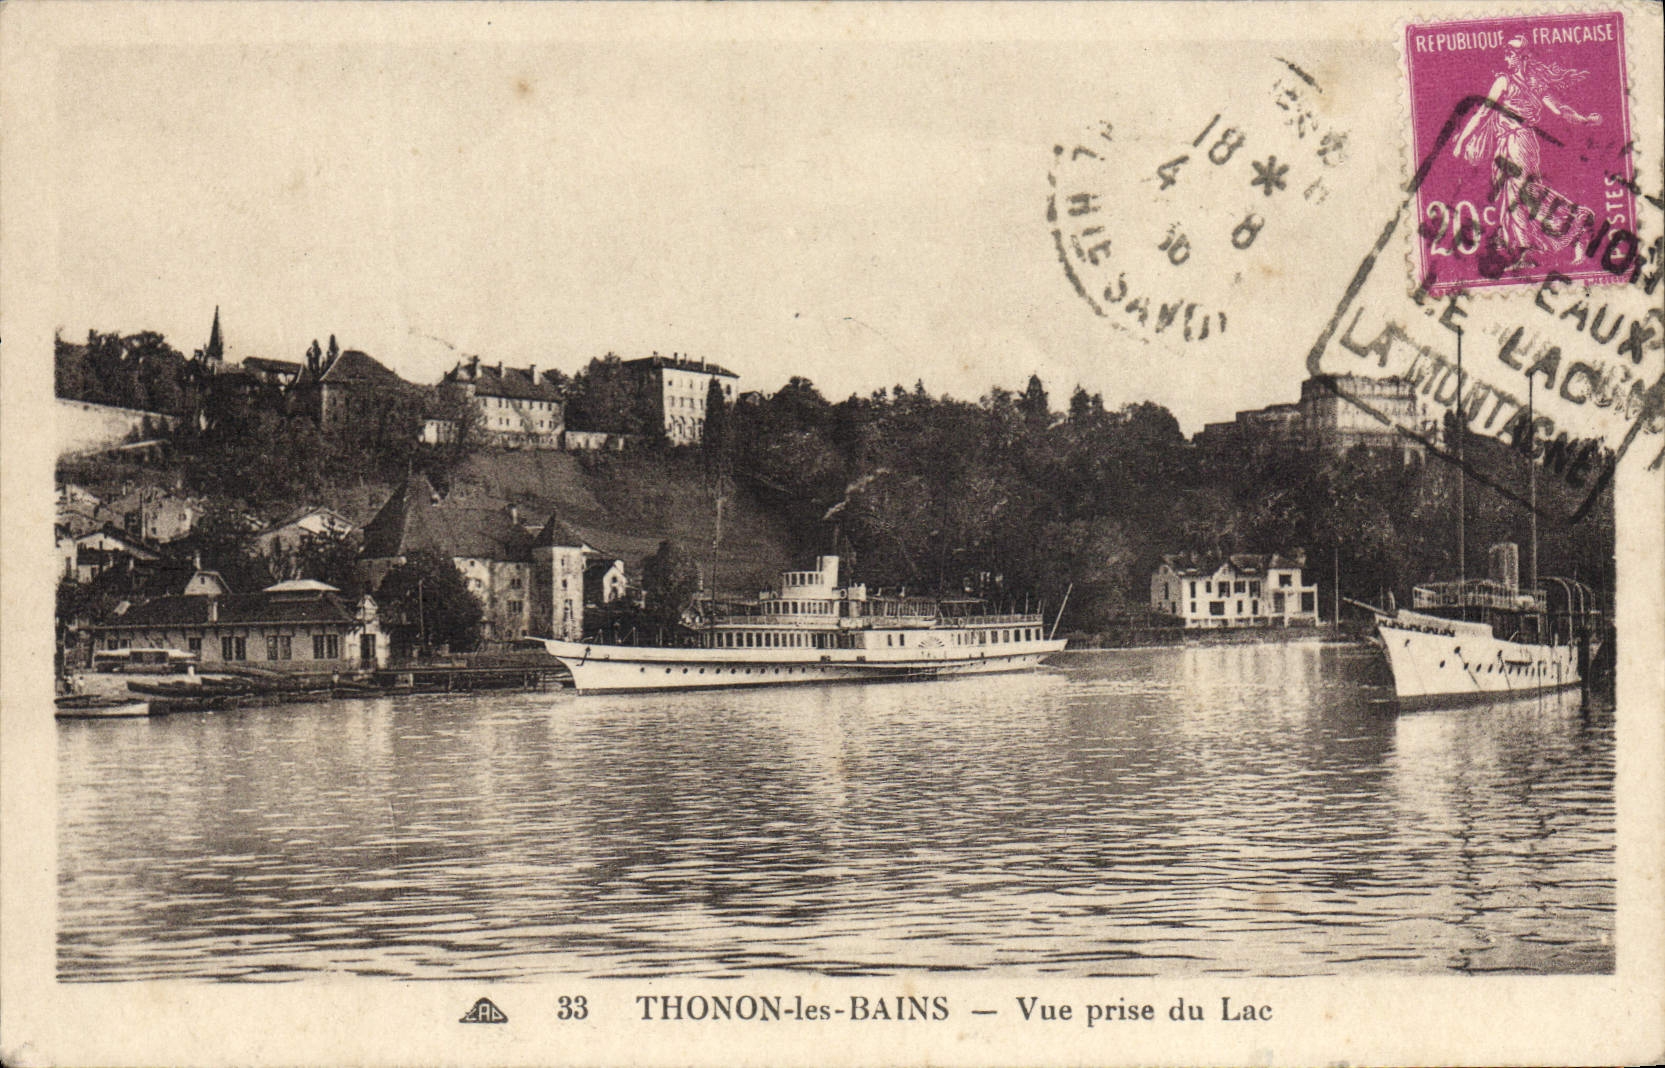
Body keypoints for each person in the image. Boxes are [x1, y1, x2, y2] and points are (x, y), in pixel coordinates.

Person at [1450, 36, 1603, 266]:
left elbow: (1559, 109)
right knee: (1517, 193)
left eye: (1510, 54)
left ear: (1523, 57)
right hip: (1510, 143)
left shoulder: (1518, 82)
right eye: (1506, 54)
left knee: (1520, 192)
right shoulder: (1513, 81)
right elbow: (1484, 112)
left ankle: (1572, 225)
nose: (1506, 59)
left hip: (1519, 142)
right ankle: (1533, 248)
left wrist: (1584, 120)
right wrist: (1462, 140)